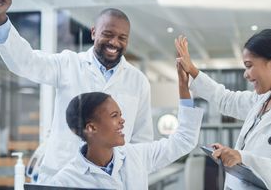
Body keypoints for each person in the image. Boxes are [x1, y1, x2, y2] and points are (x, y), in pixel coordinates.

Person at [0, 0, 153, 182]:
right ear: (93, 32)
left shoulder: (138, 81)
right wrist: (0, 19)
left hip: (111, 181)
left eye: (122, 37)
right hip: (62, 176)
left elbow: (141, 142)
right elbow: (27, 62)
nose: (114, 42)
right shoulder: (68, 64)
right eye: (108, 34)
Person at [174, 30, 271, 189]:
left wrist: (241, 157)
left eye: (249, 66)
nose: (245, 74)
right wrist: (192, 71)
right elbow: (226, 100)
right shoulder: (263, 99)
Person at [47, 63, 203, 189]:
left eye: (120, 114)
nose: (123, 121)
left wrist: (183, 86)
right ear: (91, 128)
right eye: (115, 116)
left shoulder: (136, 156)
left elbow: (184, 140)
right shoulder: (64, 182)